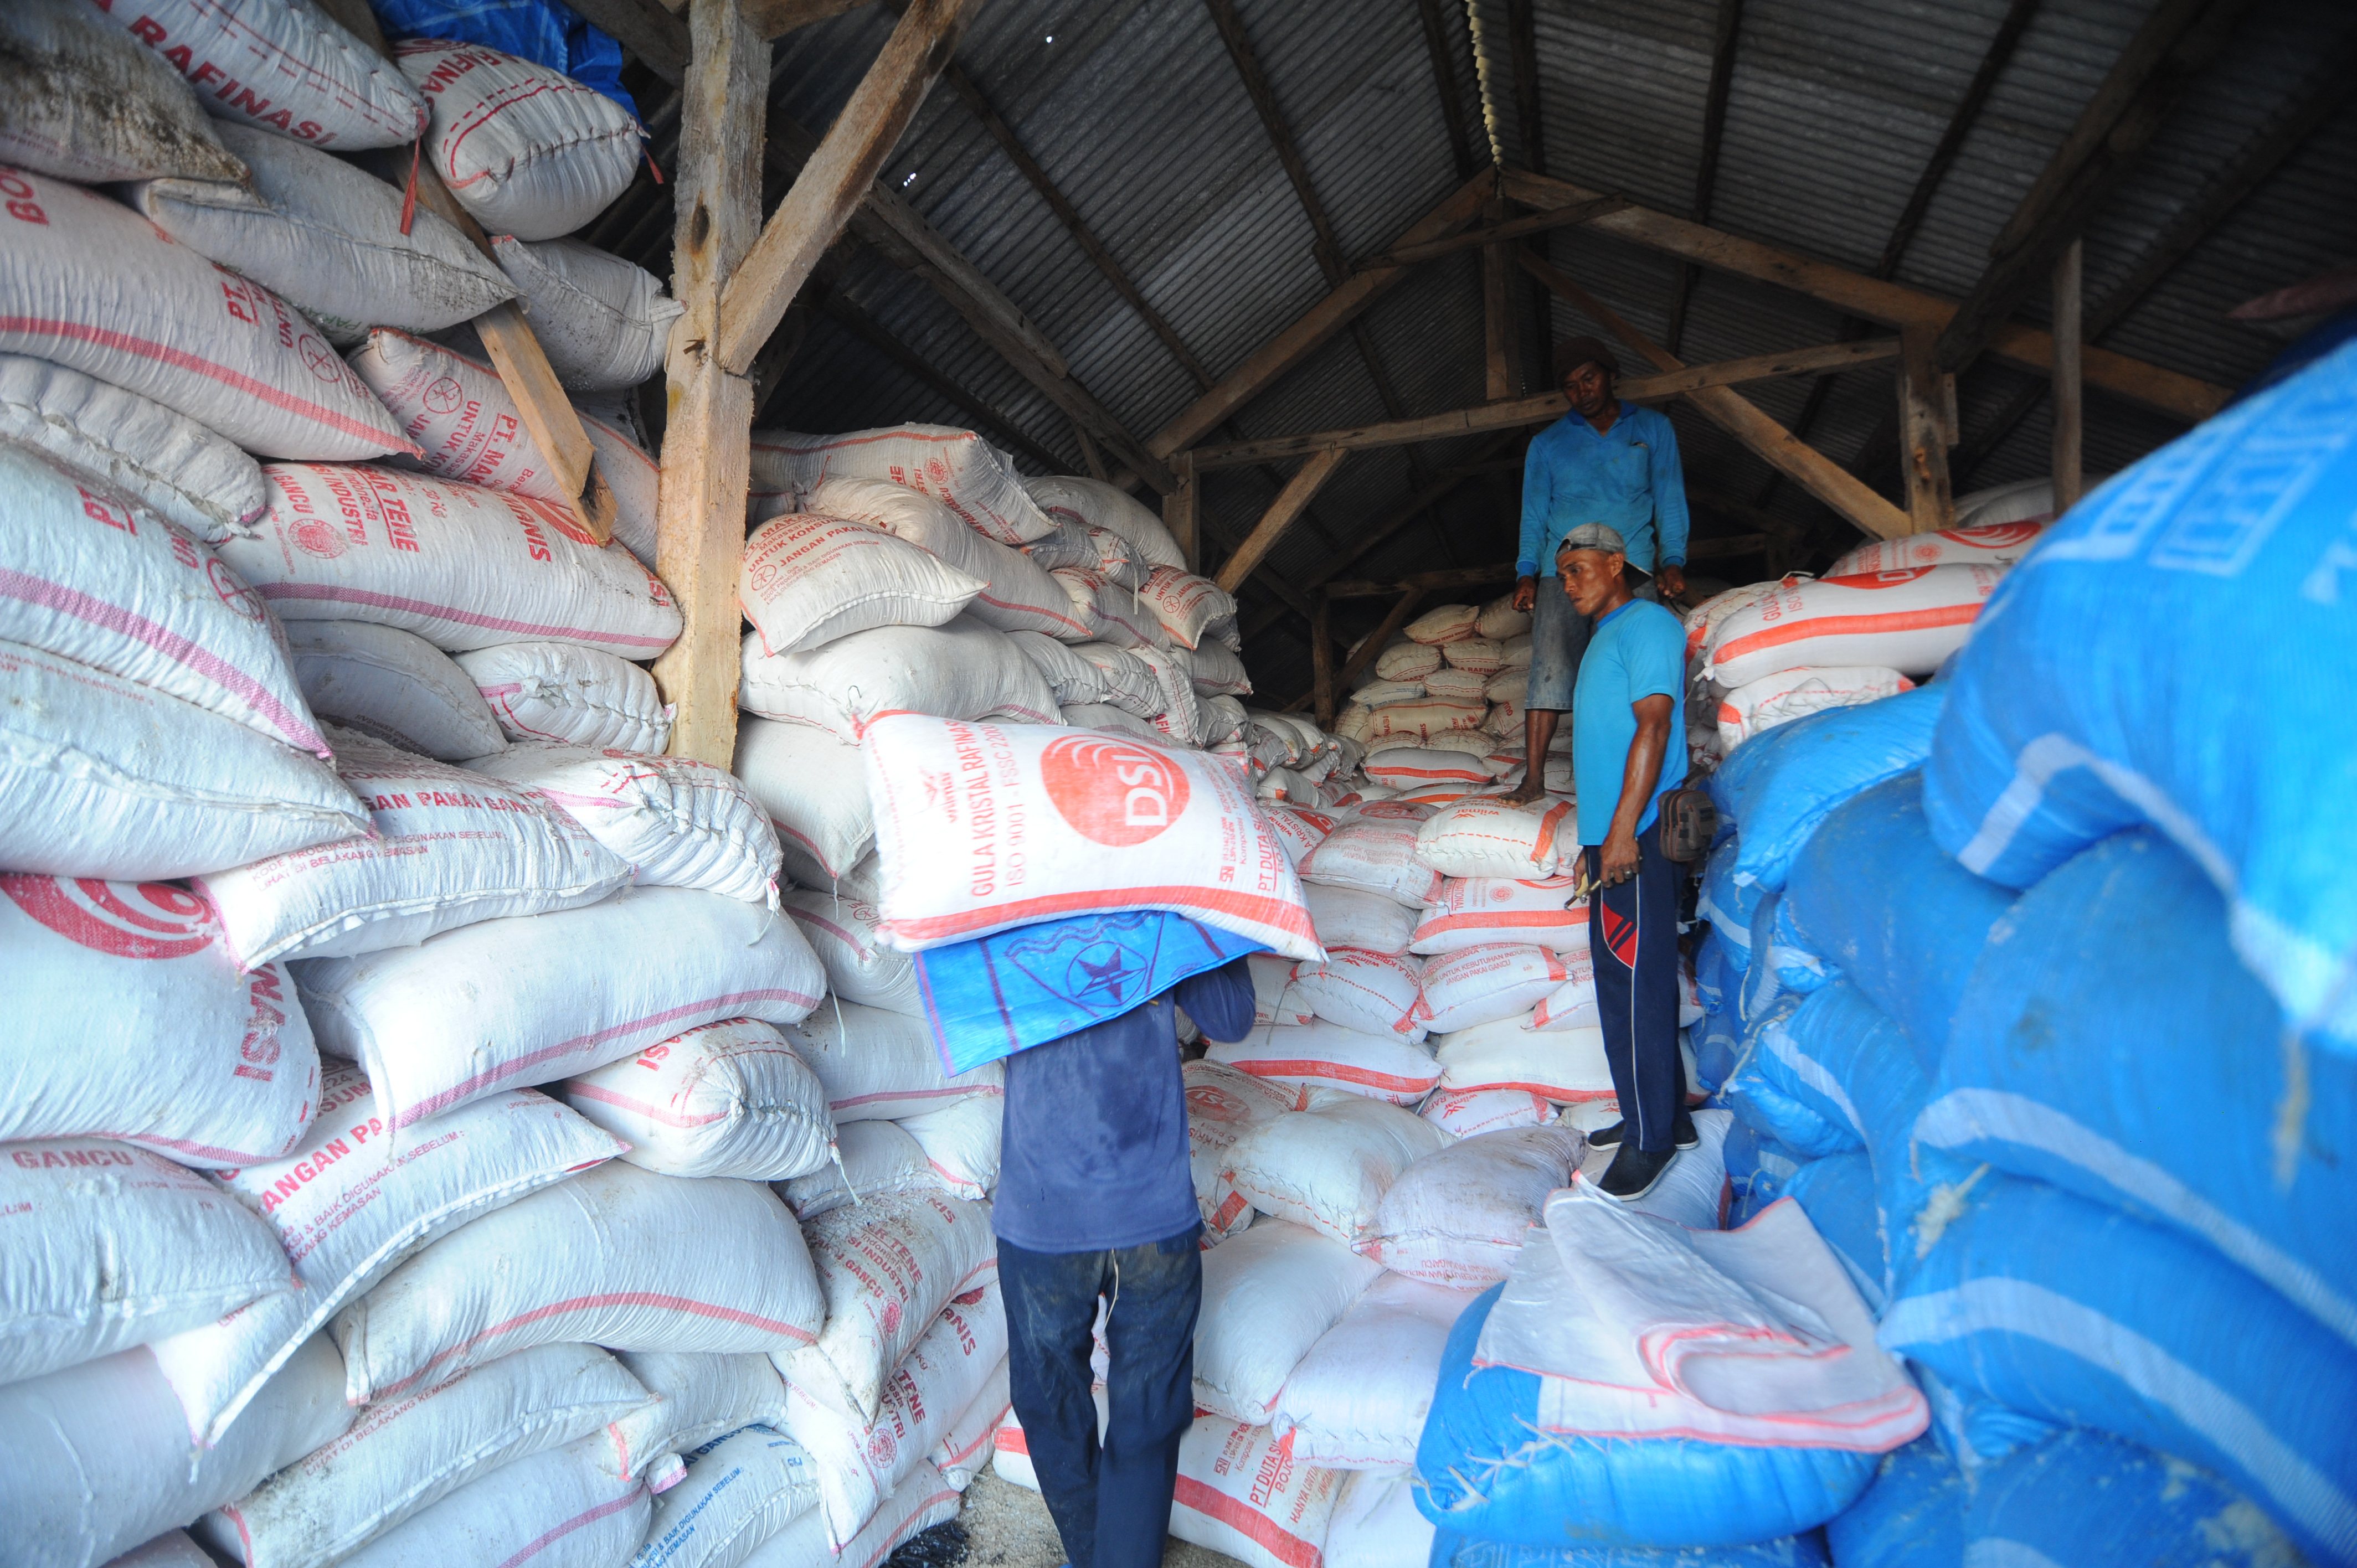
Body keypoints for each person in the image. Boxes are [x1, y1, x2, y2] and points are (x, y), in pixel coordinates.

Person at [992, 956, 1255, 1568]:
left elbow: (961, 1011)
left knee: (1052, 1401)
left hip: (1047, 1209)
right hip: (1144, 1210)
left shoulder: (1004, 874)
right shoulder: (1166, 877)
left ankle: (1096, 1557)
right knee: (1144, 1414)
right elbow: (1231, 1016)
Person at [1554, 524, 1695, 1200]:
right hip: (1608, 837)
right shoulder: (1604, 637)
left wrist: (1618, 835)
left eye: (1580, 568)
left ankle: (1651, 1141)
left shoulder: (1649, 627)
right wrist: (1596, 840)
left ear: (1618, 564)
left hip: (1632, 837)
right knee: (1625, 977)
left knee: (1633, 985)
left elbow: (1654, 726)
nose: (1570, 583)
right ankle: (1661, 1115)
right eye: (1562, 574)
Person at [1500, 336, 1691, 806]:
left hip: (1634, 567)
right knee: (1549, 668)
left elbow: (1669, 498)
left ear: (1609, 374)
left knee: (1639, 668)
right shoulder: (1547, 445)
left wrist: (1673, 561)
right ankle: (1534, 779)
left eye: (1589, 378)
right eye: (1570, 386)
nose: (1582, 391)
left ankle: (1650, 773)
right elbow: (1534, 513)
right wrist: (1527, 572)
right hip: (1560, 570)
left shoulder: (1653, 428)